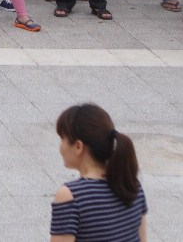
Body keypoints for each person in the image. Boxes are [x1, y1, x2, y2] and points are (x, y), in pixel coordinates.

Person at [50, 103, 147, 242]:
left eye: (62, 139)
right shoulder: (132, 186)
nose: (60, 147)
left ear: (78, 146)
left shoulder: (70, 196)